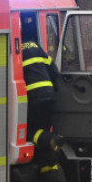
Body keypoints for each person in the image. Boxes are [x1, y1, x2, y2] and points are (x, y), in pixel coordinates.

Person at [21, 13, 61, 171]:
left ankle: (48, 138)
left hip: (32, 100)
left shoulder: (16, 52)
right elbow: (54, 70)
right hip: (48, 97)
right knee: (42, 130)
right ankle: (49, 171)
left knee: (27, 133)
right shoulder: (37, 47)